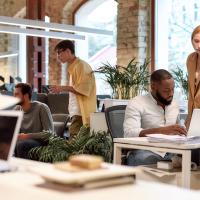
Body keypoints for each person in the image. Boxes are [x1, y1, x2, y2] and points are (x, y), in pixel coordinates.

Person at [123, 69, 187, 166]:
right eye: (166, 90)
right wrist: (162, 130)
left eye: (173, 89)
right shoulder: (136, 103)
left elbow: (177, 129)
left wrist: (181, 131)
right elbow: (129, 133)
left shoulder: (174, 104)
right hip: (145, 151)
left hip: (171, 151)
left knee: (195, 155)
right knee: (147, 160)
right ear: (153, 87)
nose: (171, 94)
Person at [50, 40, 96, 137]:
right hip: (76, 112)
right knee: (75, 143)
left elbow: (83, 90)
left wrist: (62, 88)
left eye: (59, 52)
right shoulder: (75, 66)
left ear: (67, 51)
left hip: (80, 113)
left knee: (74, 144)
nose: (58, 56)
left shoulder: (81, 66)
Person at [14, 83, 54, 159]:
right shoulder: (17, 109)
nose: (14, 97)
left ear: (25, 96)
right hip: (24, 141)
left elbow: (49, 134)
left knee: (21, 144)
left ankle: (23, 170)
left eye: (16, 94)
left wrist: (26, 136)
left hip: (41, 142)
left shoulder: (41, 108)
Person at [185, 25, 200, 129]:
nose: (199, 45)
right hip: (193, 116)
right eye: (196, 41)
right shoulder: (191, 59)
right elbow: (192, 93)